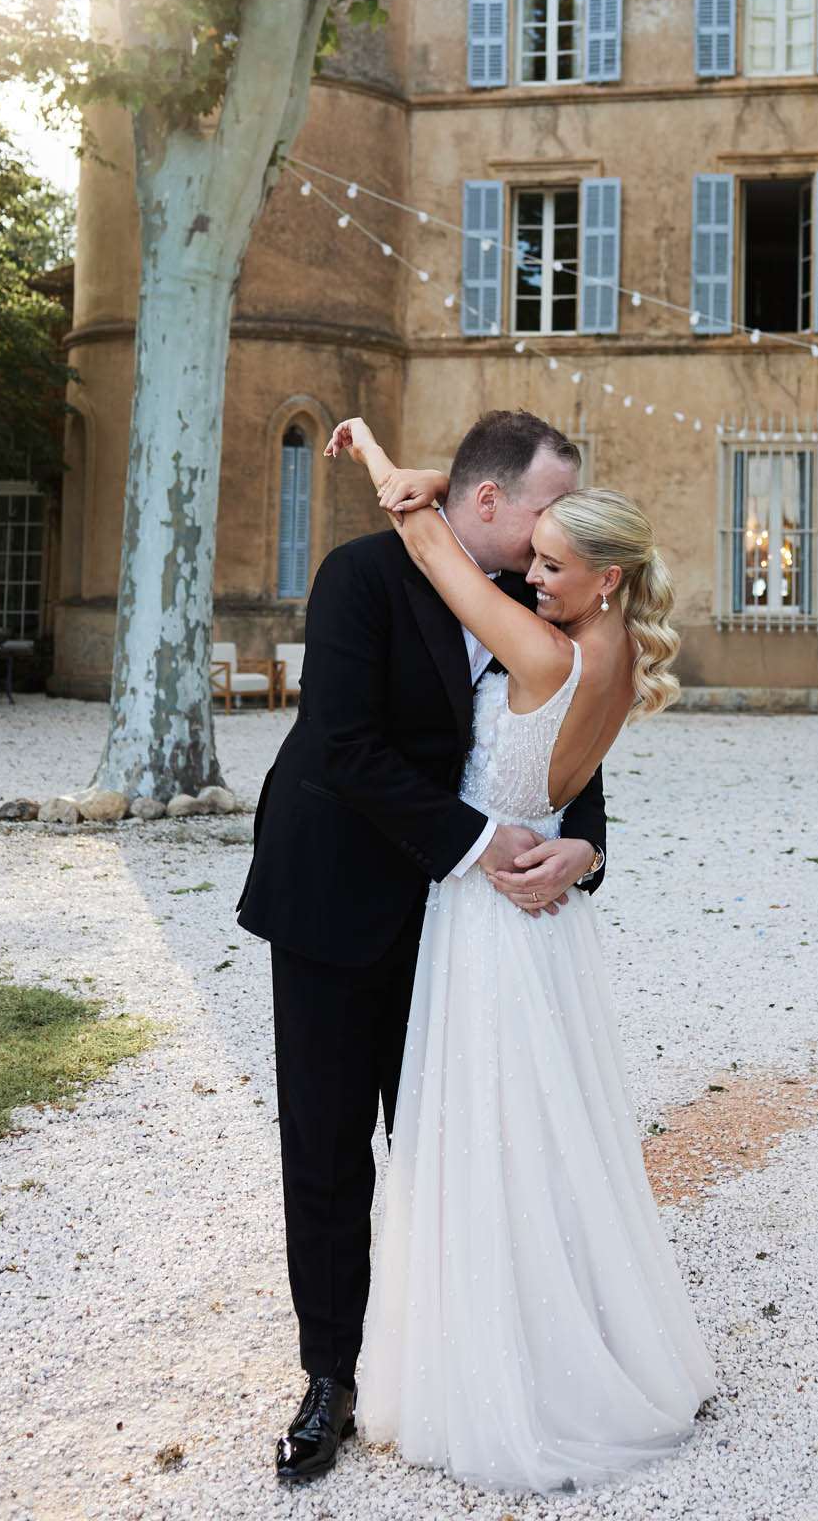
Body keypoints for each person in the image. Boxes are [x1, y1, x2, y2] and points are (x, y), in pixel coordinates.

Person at [331, 409, 716, 1495]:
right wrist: (583, 842)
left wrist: (374, 455)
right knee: (550, 1140)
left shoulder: (543, 651)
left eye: (553, 564)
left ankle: (504, 1375)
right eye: (534, 557)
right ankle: (563, 1337)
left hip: (486, 917)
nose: (533, 577)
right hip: (546, 925)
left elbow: (429, 545)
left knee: (482, 1139)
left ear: (604, 578)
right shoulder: (621, 653)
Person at [235, 410, 611, 1484]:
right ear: (486, 503)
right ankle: (330, 1374)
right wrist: (490, 843)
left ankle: (458, 1360)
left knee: (457, 1144)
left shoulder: (538, 599)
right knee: (326, 1145)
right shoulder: (360, 576)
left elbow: (572, 747)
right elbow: (346, 746)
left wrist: (584, 845)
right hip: (333, 900)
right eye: (548, 506)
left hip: (463, 935)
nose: (562, 529)